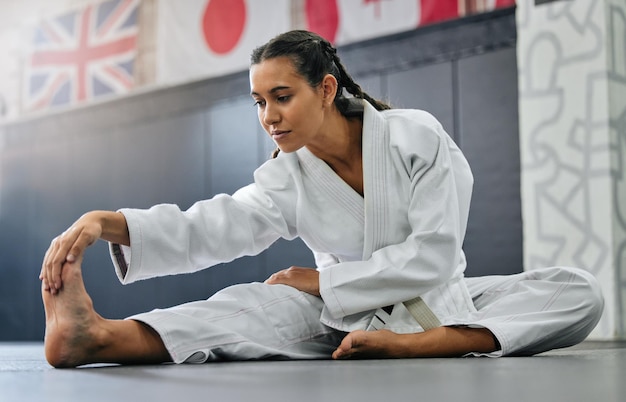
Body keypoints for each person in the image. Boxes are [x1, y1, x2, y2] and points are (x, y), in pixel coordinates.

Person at [40, 30, 604, 368]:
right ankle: (95, 336)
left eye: (281, 97)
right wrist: (107, 223)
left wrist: (319, 280)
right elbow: (213, 226)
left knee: (577, 291)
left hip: (442, 300)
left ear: (327, 89)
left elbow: (434, 254)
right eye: (258, 103)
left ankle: (424, 345)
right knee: (238, 308)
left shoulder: (415, 137)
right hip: (344, 317)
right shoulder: (287, 176)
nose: (269, 117)